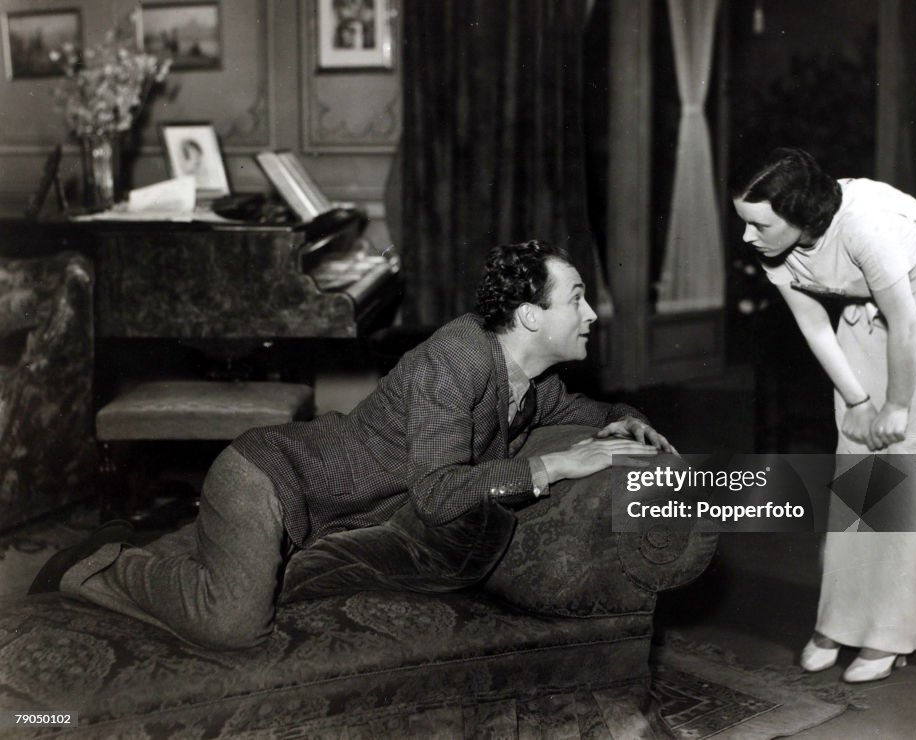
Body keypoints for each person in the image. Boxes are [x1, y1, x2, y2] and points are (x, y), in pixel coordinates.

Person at [30, 239, 673, 649]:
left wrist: (625, 415)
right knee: (233, 625)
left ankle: (180, 541)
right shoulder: (457, 358)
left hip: (308, 513)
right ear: (532, 316)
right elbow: (437, 492)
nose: (591, 315)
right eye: (579, 300)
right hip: (266, 477)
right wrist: (557, 462)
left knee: (237, 587)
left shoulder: (527, 384)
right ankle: (99, 562)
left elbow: (580, 406)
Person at [730, 148, 916, 683]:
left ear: (802, 216)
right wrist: (857, 401)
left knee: (906, 460)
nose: (747, 237)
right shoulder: (772, 245)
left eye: (758, 223)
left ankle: (891, 631)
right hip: (871, 305)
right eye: (744, 222)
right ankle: (841, 620)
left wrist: (897, 405)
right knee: (859, 460)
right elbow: (814, 326)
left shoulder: (868, 228)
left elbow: (909, 325)